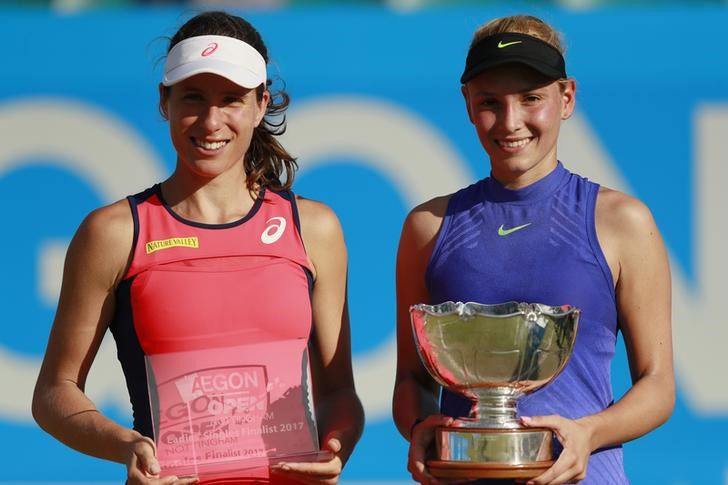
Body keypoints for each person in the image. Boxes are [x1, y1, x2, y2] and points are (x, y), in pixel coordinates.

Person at [32, 10, 363, 485]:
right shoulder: (114, 231)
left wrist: (337, 444)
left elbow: (338, 393)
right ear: (165, 101)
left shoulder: (313, 227)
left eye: (231, 99)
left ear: (260, 104)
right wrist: (128, 445)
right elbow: (54, 393)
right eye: (193, 97)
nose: (211, 121)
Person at [393, 14, 674, 485]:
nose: (510, 122)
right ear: (466, 104)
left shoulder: (623, 220)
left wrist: (588, 433)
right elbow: (411, 381)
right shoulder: (428, 226)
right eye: (490, 102)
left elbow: (658, 385)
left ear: (566, 99)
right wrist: (422, 427)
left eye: (531, 99)